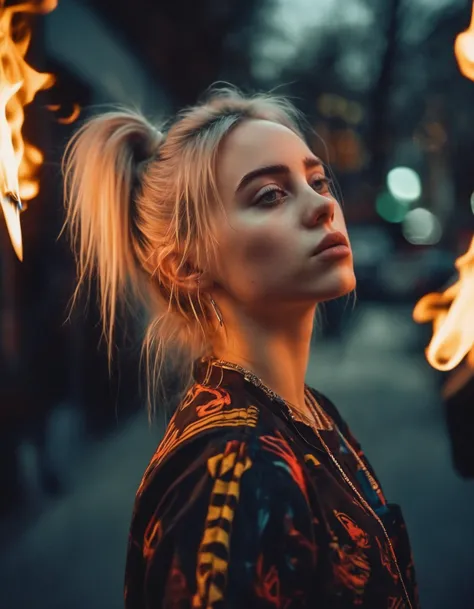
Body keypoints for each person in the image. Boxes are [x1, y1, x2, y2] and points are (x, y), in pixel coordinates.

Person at [62, 87, 420, 609]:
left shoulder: (313, 414)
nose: (323, 206)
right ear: (185, 266)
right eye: (270, 195)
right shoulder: (230, 470)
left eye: (317, 180)